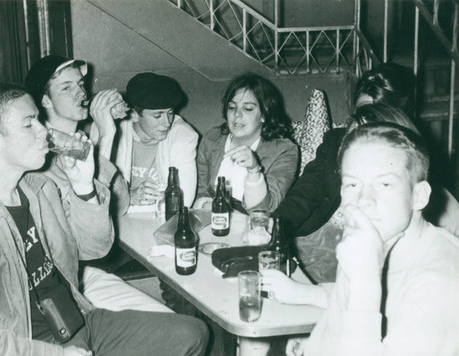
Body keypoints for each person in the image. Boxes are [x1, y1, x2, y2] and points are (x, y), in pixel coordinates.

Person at [0, 83, 209, 355]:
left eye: (40, 120)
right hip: (28, 344)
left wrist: (84, 187)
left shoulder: (38, 188)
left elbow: (94, 248)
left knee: (192, 334)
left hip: (75, 320)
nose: (44, 131)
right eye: (29, 124)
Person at [263, 123, 459, 356]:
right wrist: (319, 338)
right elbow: (345, 301)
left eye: (384, 183)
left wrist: (366, 282)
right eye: (353, 184)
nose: (363, 200)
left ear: (419, 196)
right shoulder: (371, 235)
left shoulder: (441, 283)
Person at [25, 55, 172, 313]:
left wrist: (106, 134)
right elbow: (87, 244)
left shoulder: (79, 138)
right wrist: (106, 135)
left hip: (86, 271)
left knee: (169, 318)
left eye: (81, 84)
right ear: (45, 100)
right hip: (64, 279)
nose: (80, 92)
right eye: (66, 87)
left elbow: (121, 202)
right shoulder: (41, 155)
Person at [274, 63, 419, 283]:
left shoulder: (410, 167)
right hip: (318, 237)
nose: (365, 127)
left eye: (376, 117)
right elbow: (307, 188)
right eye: (360, 113)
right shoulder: (337, 140)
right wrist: (277, 224)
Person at [194, 72, 298, 213]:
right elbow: (199, 190)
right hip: (212, 222)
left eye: (247, 108)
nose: (237, 114)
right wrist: (210, 208)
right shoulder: (212, 138)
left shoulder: (284, 151)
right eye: (232, 107)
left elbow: (265, 209)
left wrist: (254, 170)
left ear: (264, 114)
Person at [114, 72, 198, 210]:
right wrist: (130, 196)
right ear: (134, 115)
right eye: (158, 115)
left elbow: (182, 201)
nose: (167, 123)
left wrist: (124, 201)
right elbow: (101, 198)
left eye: (170, 113)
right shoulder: (113, 133)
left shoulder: (184, 136)